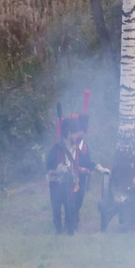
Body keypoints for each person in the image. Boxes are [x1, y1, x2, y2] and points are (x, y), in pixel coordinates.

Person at [43, 93, 96, 235]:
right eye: (76, 133)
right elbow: (49, 166)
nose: (79, 135)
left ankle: (70, 228)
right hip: (57, 181)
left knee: (71, 205)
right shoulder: (57, 148)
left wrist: (92, 168)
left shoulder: (81, 147)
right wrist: (59, 169)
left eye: (80, 133)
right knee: (57, 206)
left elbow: (85, 160)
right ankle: (58, 228)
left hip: (73, 180)